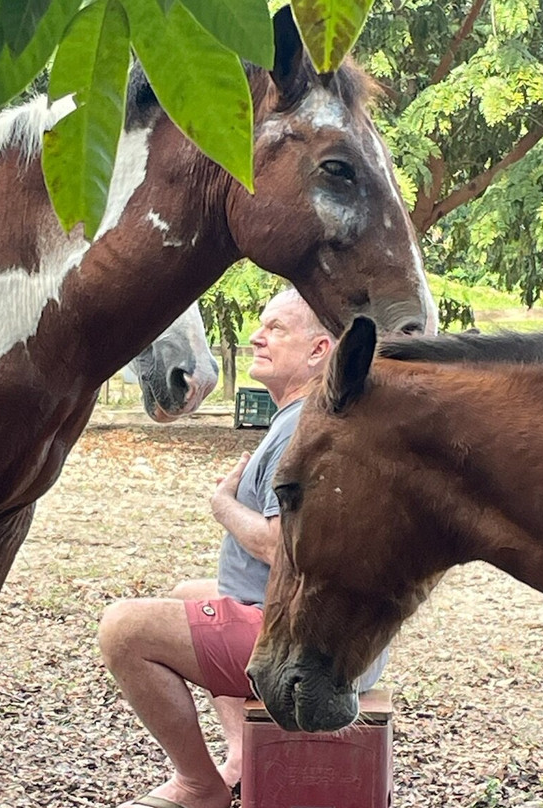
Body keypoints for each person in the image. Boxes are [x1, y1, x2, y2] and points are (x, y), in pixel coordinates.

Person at [98, 289, 388, 808]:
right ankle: (240, 757)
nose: (257, 336)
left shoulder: (303, 427)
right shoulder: (304, 415)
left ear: (320, 350)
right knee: (190, 595)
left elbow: (284, 548)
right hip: (304, 617)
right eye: (261, 324)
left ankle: (198, 786)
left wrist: (223, 504)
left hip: (308, 643)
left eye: (276, 328)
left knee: (124, 629)